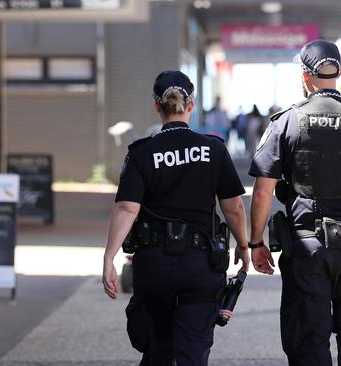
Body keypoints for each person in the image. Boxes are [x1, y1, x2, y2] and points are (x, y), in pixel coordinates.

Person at [248, 39, 341, 366]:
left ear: (305, 77)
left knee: (307, 332)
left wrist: (255, 241)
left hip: (307, 247)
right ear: (339, 72)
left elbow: (262, 190)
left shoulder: (286, 122)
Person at [102, 70, 250, 366]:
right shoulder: (214, 149)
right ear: (191, 105)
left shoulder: (142, 153)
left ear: (157, 106)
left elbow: (127, 209)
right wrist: (244, 247)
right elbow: (232, 207)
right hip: (201, 265)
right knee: (193, 352)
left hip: (154, 265)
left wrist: (109, 257)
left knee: (156, 349)